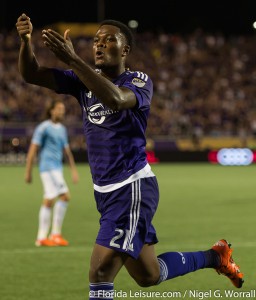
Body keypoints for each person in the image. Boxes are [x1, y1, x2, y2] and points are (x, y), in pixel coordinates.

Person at [16, 13, 244, 298]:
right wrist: (26, 41)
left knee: (100, 272)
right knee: (149, 275)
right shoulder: (83, 81)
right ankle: (216, 257)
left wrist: (73, 60)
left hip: (131, 187)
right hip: (106, 192)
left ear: (124, 50)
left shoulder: (138, 80)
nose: (99, 45)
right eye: (96, 40)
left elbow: (116, 99)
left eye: (108, 40)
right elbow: (30, 74)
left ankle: (216, 257)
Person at [25, 99, 79, 246]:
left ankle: (46, 236)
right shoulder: (43, 128)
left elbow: (67, 152)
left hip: (57, 169)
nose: (62, 112)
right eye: (59, 109)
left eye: (63, 109)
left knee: (50, 200)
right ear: (52, 111)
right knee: (64, 196)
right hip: (48, 168)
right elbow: (33, 149)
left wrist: (73, 170)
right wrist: (28, 171)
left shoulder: (62, 129)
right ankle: (50, 235)